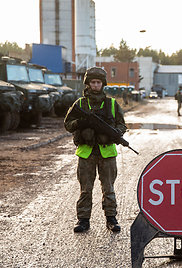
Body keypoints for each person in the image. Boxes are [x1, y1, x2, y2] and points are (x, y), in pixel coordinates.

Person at [64, 67, 127, 233]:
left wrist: (116, 133)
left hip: (107, 152)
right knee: (85, 189)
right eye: (93, 82)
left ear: (103, 84)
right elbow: (68, 124)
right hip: (86, 152)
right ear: (88, 83)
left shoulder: (112, 104)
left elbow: (122, 124)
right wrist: (82, 123)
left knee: (109, 188)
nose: (96, 85)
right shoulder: (80, 104)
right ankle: (83, 220)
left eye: (99, 82)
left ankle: (111, 218)